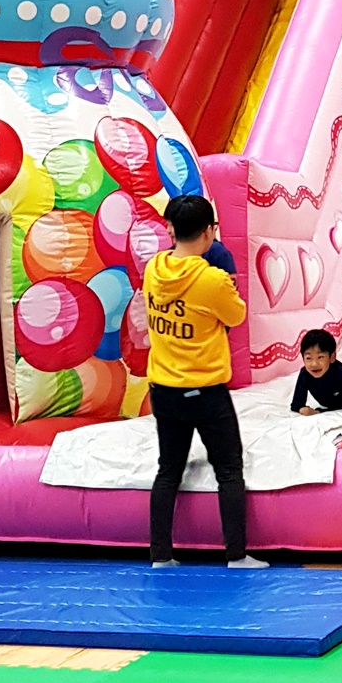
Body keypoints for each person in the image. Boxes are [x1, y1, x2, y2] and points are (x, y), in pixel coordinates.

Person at [143, 193, 267, 569]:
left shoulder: (154, 269)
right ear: (209, 232)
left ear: (171, 229)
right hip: (205, 391)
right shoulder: (211, 279)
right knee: (228, 469)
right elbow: (236, 315)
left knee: (168, 470)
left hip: (164, 388)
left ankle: (160, 555)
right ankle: (236, 555)